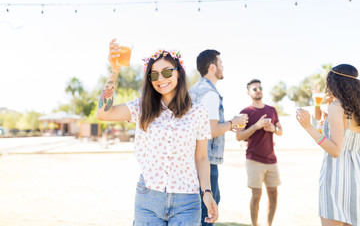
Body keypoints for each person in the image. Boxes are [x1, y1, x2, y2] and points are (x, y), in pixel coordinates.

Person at [97, 40, 219, 225]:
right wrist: (115, 71)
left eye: (167, 72)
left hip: (187, 201)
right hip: (148, 199)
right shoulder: (141, 108)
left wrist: (207, 193)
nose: (161, 79)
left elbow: (201, 157)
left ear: (179, 73)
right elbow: (103, 113)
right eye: (154, 75)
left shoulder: (198, 112)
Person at [189, 49, 248, 226]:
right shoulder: (211, 94)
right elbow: (210, 130)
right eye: (221, 64)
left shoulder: (194, 90)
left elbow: (201, 126)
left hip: (192, 158)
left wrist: (225, 126)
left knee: (200, 206)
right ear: (213, 67)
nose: (223, 67)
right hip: (206, 160)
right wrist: (233, 122)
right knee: (207, 211)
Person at [296, 64, 360, 226]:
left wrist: (307, 126)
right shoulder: (355, 109)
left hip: (337, 177)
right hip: (356, 176)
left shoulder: (336, 107)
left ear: (334, 82)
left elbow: (335, 150)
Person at [235, 79, 283, 226]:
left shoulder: (272, 110)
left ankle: (269, 224)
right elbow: (238, 136)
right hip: (253, 159)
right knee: (256, 196)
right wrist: (256, 126)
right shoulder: (245, 112)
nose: (258, 90)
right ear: (248, 93)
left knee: (273, 194)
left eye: (260, 88)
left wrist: (273, 129)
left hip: (271, 159)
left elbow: (280, 131)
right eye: (254, 89)